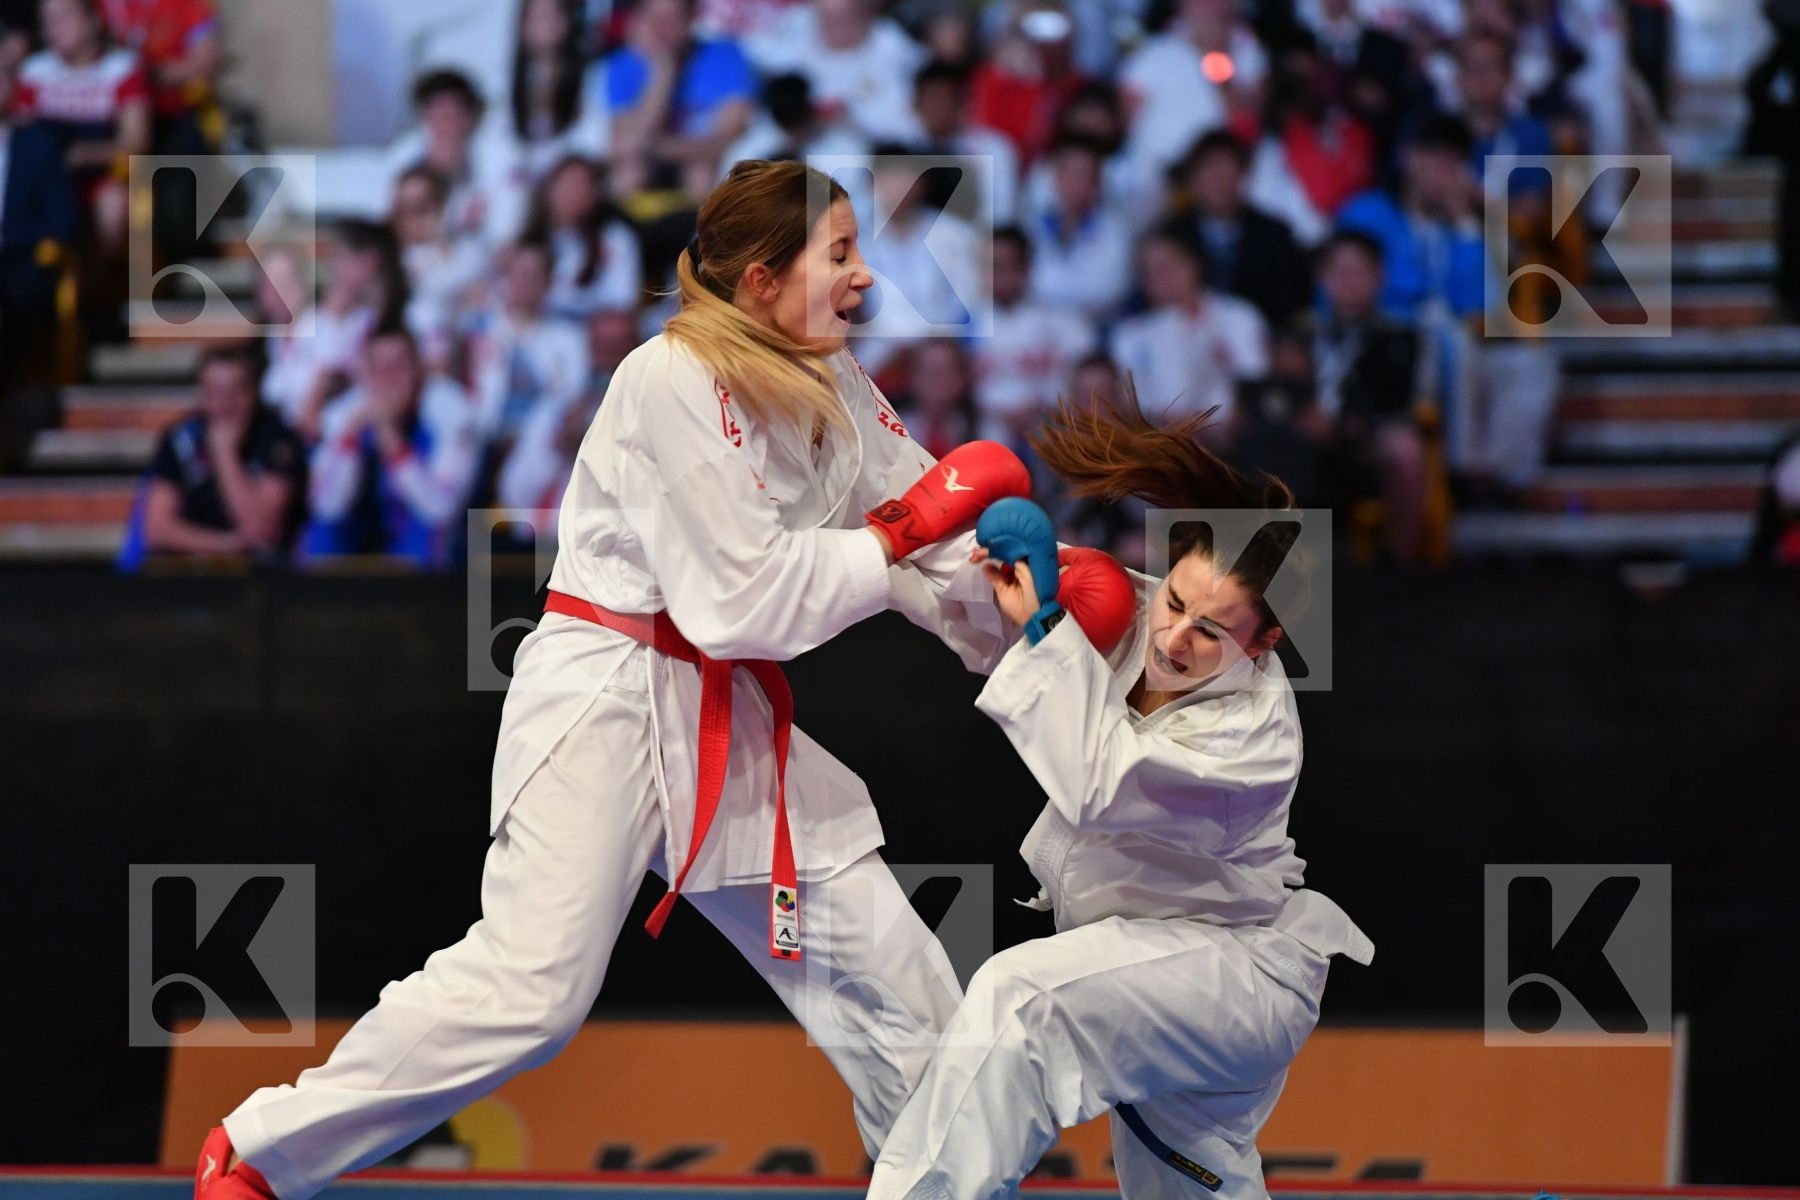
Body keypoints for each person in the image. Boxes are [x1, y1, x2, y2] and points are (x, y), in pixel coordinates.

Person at [192, 159, 1036, 1200]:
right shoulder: (668, 378)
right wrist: (908, 529)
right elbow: (744, 603)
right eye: (843, 255)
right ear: (763, 280)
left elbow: (936, 546)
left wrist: (1036, 607)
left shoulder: (839, 389)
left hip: (724, 719)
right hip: (608, 692)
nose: (867, 280)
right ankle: (263, 1152)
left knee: (894, 976)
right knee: (534, 994)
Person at [867, 386, 1373, 1199]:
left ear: (1266, 641)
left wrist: (1043, 633)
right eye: (1175, 599)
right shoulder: (1123, 605)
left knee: (1019, 999)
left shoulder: (1256, 737)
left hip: (1234, 978)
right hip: (1148, 964)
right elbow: (974, 602)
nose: (1174, 636)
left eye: (1212, 631)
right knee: (1190, 1185)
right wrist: (902, 524)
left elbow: (1100, 782)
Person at [300, 323, 481, 569]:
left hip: (422, 534)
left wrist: (390, 439)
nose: (390, 379)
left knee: (431, 535)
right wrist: (351, 438)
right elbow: (327, 505)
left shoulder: (451, 412)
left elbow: (441, 509)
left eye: (399, 367)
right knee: (320, 535)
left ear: (418, 369)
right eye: (380, 369)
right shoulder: (346, 414)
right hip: (364, 530)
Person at [139, 342, 307, 559]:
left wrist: (226, 455)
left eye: (236, 390)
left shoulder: (278, 440)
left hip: (262, 574)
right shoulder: (181, 439)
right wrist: (227, 545)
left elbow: (261, 529)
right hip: (194, 570)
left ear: (254, 392)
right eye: (216, 391)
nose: (226, 402)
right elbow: (157, 529)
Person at [1110, 219, 1269, 433]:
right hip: (1162, 442)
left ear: (1194, 263)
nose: (1160, 278)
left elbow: (1256, 381)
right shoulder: (1130, 335)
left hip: (1234, 438)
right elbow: (1133, 405)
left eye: (1167, 267)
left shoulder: (1239, 316)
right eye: (1149, 272)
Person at [520, 155, 643, 322]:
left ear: (595, 195)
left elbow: (622, 302)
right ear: (549, 190)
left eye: (580, 186)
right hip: (535, 330)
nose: (571, 193)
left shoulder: (615, 239)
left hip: (590, 332)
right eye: (566, 184)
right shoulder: (529, 238)